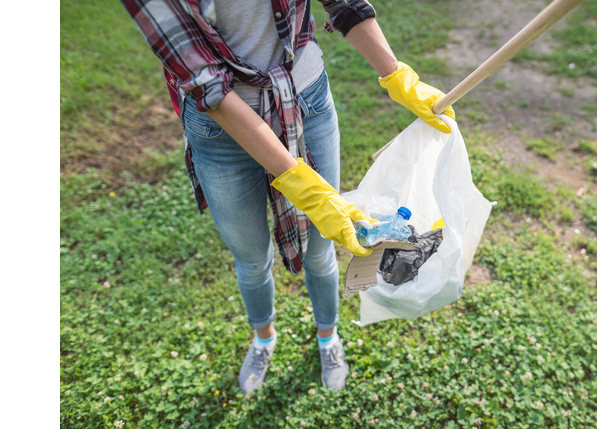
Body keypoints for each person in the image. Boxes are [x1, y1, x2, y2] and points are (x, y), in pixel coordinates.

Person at [120, 0, 455, 393]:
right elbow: (205, 81)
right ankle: (264, 338)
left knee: (321, 250)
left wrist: (397, 75)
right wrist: (308, 192)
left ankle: (328, 337)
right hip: (220, 131)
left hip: (306, 102)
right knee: (251, 257)